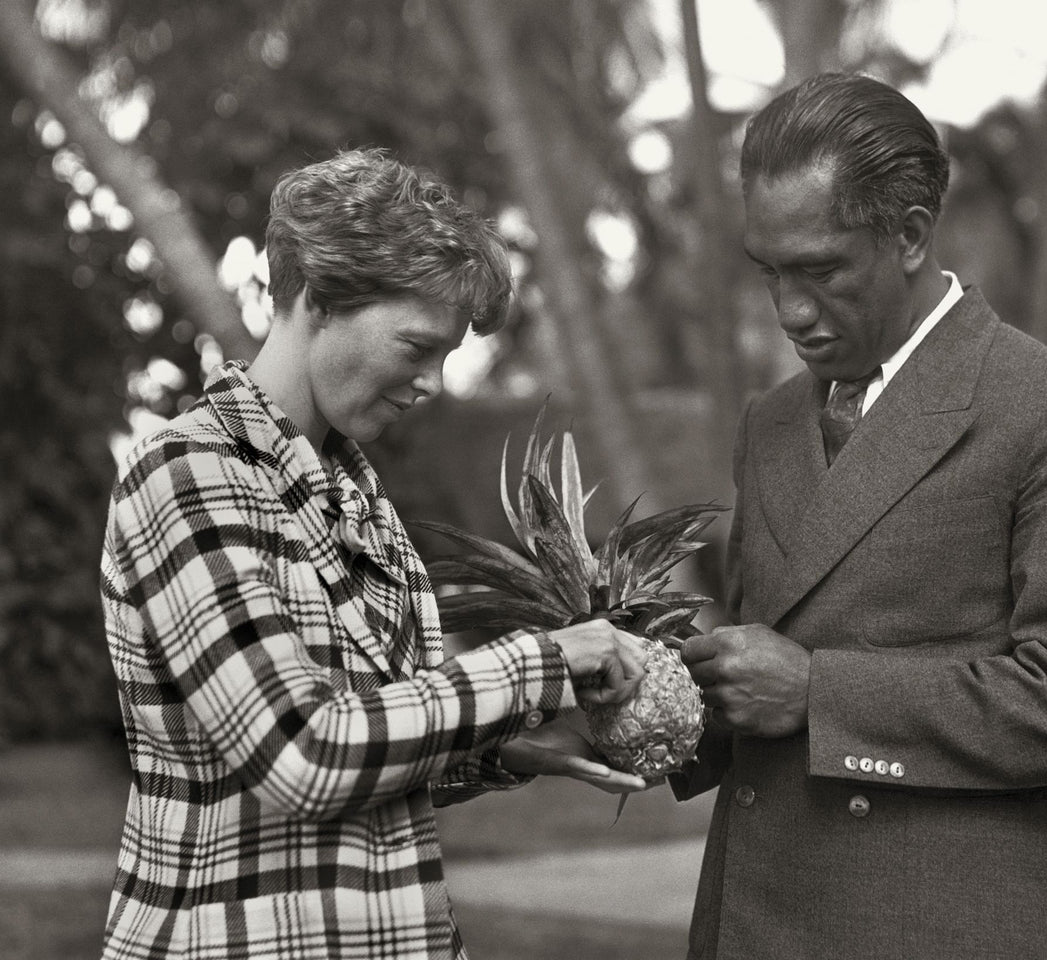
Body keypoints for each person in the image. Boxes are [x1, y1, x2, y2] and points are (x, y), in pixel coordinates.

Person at [100, 147, 649, 960]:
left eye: (446, 357)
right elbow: (303, 754)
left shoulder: (363, 507)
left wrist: (496, 747)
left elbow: (373, 756)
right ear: (319, 299)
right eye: (416, 346)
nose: (432, 384)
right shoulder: (188, 477)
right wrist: (542, 663)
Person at [674, 73, 1047, 960]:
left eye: (819, 270)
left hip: (938, 926)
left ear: (909, 234)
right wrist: (649, 698)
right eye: (770, 272)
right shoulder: (770, 420)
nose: (789, 311)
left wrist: (819, 692)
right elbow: (761, 662)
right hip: (750, 916)